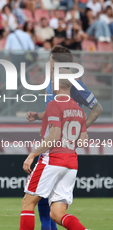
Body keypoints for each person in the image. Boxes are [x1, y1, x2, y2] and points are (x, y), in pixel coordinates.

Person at [26, 46, 103, 230]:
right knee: (50, 207)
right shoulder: (53, 82)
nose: (48, 63)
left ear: (57, 62)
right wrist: (39, 116)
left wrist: (79, 130)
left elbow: (97, 108)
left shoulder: (71, 82)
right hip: (56, 148)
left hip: (57, 150)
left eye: (51, 60)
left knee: (36, 202)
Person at [20, 68, 89, 230]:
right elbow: (84, 140)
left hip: (52, 161)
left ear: (55, 84)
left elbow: (54, 136)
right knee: (57, 214)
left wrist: (32, 155)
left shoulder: (53, 104)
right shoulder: (79, 110)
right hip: (71, 164)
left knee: (28, 203)